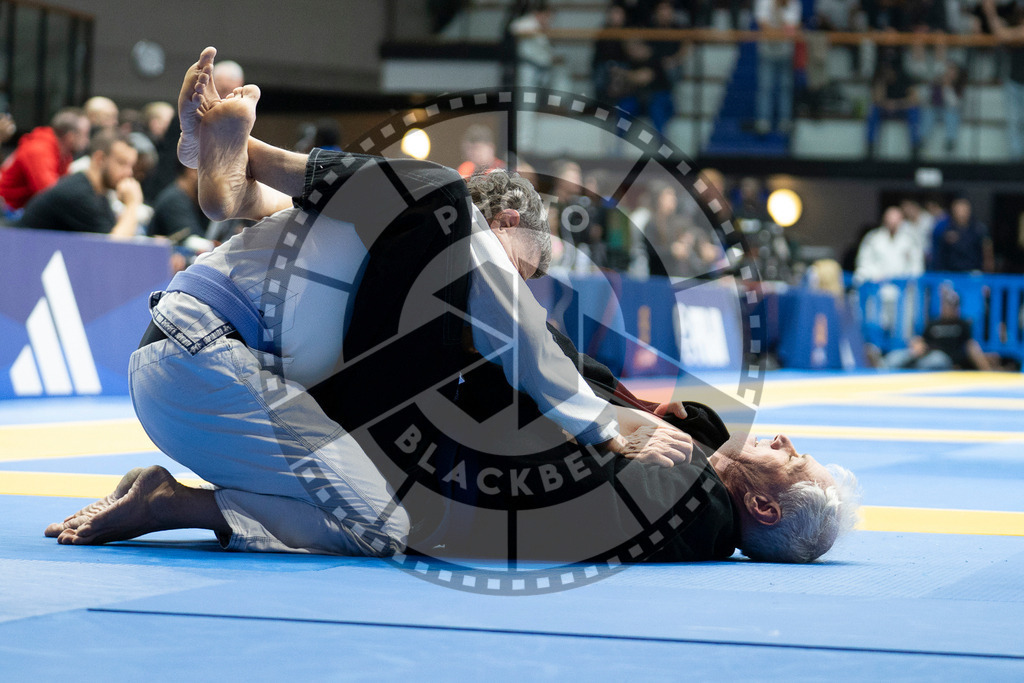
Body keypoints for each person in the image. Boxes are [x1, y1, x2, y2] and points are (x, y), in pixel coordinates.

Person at [45, 47, 858, 565]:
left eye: (794, 457)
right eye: (523, 268)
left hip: (216, 356)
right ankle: (230, 165)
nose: (522, 288)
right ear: (503, 225)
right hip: (203, 349)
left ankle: (232, 162)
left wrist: (652, 426)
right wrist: (618, 423)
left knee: (389, 502)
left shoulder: (408, 238)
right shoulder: (441, 229)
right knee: (391, 510)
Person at [15, 129, 142, 237]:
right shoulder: (77, 194)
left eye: (131, 166)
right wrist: (132, 204)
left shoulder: (98, 194)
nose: (129, 173)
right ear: (99, 159)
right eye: (122, 163)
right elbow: (113, 249)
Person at [880, 285, 992, 371]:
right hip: (924, 354)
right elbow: (922, 339)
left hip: (944, 358)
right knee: (896, 357)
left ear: (957, 307)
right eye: (946, 304)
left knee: (936, 360)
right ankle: (881, 366)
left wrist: (986, 369)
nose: (949, 308)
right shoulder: (933, 323)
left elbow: (971, 346)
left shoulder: (962, 324)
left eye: (952, 305)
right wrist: (916, 344)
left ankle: (910, 368)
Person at [0, 107, 90, 211]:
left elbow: (63, 191)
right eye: (85, 134)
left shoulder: (64, 153)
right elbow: (50, 195)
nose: (87, 141)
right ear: (70, 137)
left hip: (24, 211)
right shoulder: (39, 149)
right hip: (8, 213)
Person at [982, 0, 1024, 160]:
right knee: (1013, 124)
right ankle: (1016, 165)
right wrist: (990, 11)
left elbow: (1003, 35)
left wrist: (991, 12)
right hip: (1014, 81)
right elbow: (1001, 34)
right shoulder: (1015, 22)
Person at [754, 0, 801, 135]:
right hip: (767, 51)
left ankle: (784, 121)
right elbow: (762, 25)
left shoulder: (792, 3)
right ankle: (763, 121)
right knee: (765, 87)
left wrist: (780, 11)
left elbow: (793, 27)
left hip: (786, 51)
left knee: (785, 87)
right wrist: (774, 9)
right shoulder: (763, 2)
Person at [854, 206, 924, 283]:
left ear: (901, 220)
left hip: (902, 286)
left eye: (896, 220)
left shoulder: (909, 240)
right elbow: (864, 262)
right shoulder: (873, 238)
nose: (893, 223)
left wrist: (908, 279)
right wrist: (874, 274)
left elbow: (916, 266)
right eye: (890, 220)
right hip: (877, 284)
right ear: (885, 220)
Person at [929, 196, 994, 273]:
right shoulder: (944, 228)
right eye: (958, 209)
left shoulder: (978, 229)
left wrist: (988, 267)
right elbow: (939, 252)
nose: (961, 212)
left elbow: (986, 248)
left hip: (973, 271)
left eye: (964, 209)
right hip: (951, 272)